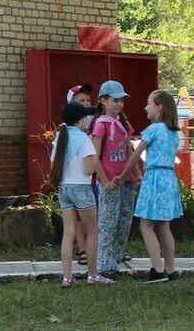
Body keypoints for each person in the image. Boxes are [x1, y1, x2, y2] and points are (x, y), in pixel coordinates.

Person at [119, 90, 184, 283]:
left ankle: (158, 269)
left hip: (154, 177)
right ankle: (170, 269)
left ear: (159, 107)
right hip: (169, 178)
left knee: (145, 225)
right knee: (164, 226)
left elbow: (134, 156)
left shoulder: (153, 130)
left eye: (148, 103)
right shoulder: (173, 132)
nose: (145, 107)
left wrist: (122, 176)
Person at [51, 102, 111, 287]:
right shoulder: (84, 139)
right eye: (85, 116)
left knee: (68, 233)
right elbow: (88, 169)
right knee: (92, 232)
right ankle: (93, 275)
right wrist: (95, 160)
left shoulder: (59, 137)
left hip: (64, 188)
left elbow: (54, 165)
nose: (88, 119)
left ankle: (67, 277)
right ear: (79, 119)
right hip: (82, 188)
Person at [90, 80, 137, 276]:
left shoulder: (122, 124)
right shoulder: (101, 125)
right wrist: (104, 180)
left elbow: (129, 151)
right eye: (115, 100)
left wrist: (136, 174)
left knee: (123, 224)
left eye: (121, 101)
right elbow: (94, 156)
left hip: (126, 180)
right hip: (109, 182)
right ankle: (103, 265)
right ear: (103, 101)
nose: (119, 104)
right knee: (108, 224)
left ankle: (114, 262)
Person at [67, 84, 93, 265]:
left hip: (83, 180)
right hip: (81, 177)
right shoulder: (69, 131)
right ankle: (83, 248)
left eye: (88, 100)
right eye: (81, 101)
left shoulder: (92, 121)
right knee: (79, 218)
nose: (86, 104)